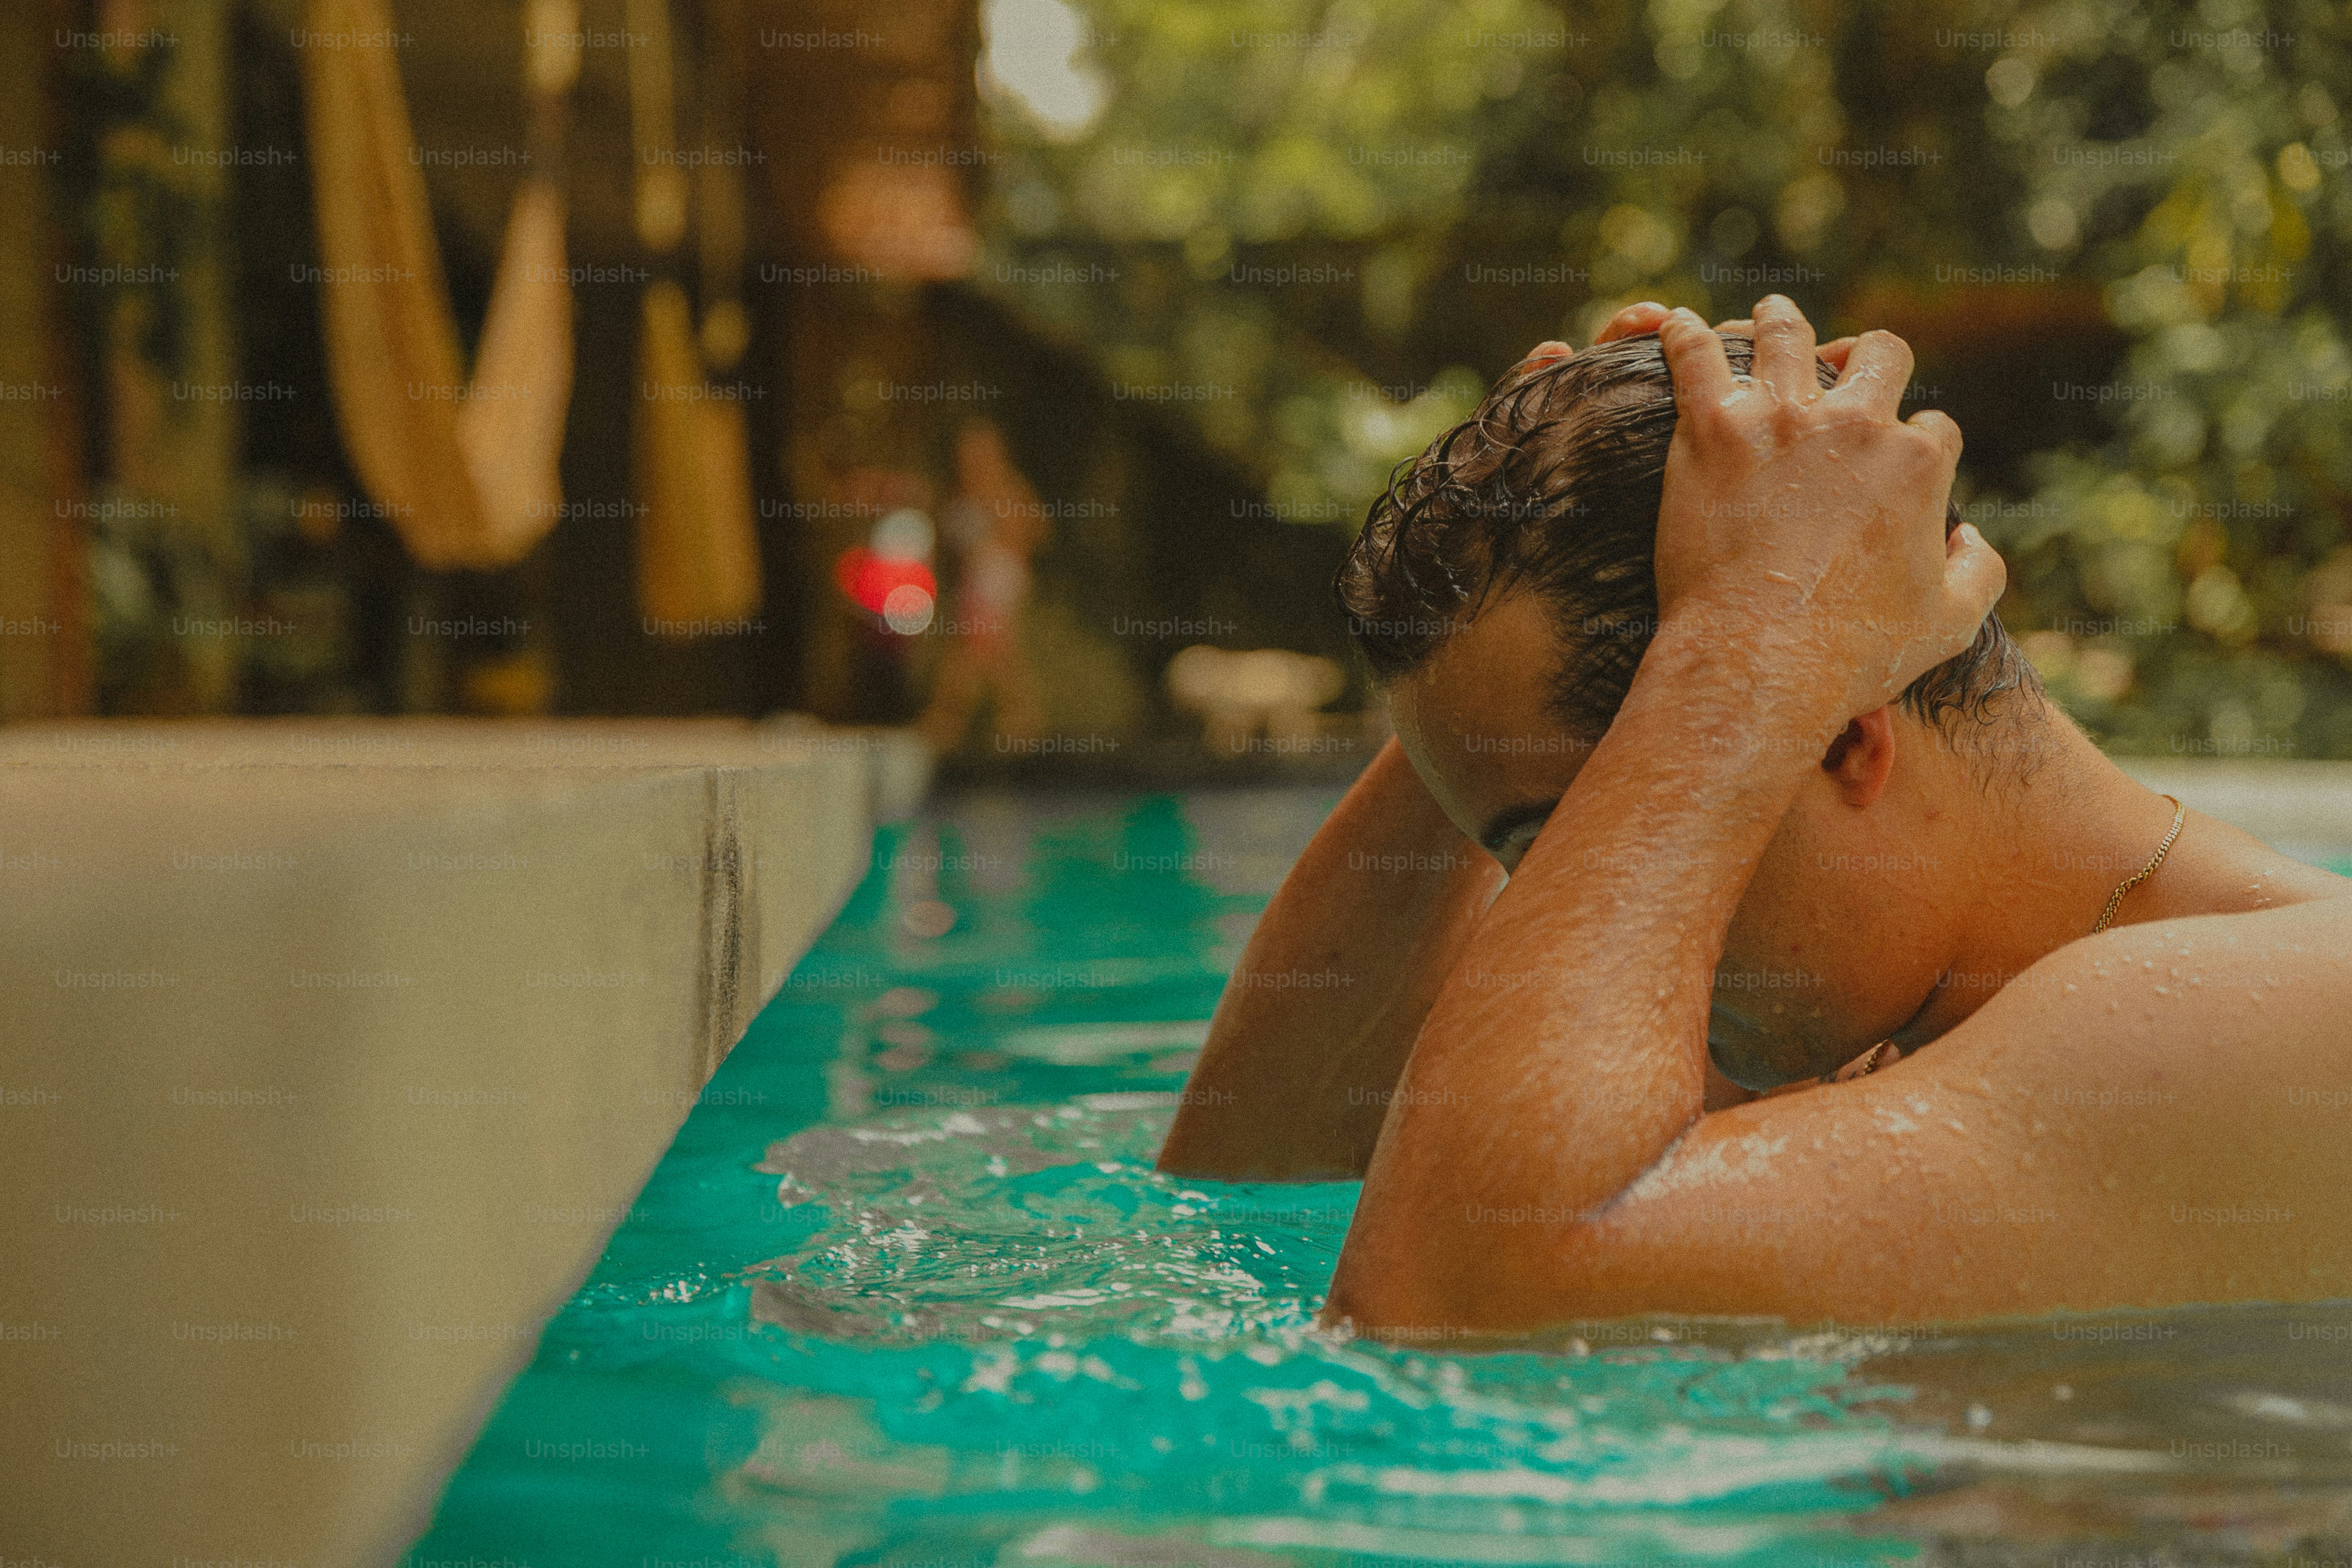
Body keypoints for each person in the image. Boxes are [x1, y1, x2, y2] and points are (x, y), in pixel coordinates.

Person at [1157, 297, 2352, 1333]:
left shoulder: (2260, 1004)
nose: (1590, 888)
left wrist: (1749, 645)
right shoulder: (1846, 1014)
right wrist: (1514, 529)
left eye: (1581, 838)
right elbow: (1249, 1192)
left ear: (1841, 732)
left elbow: (1439, 1301)